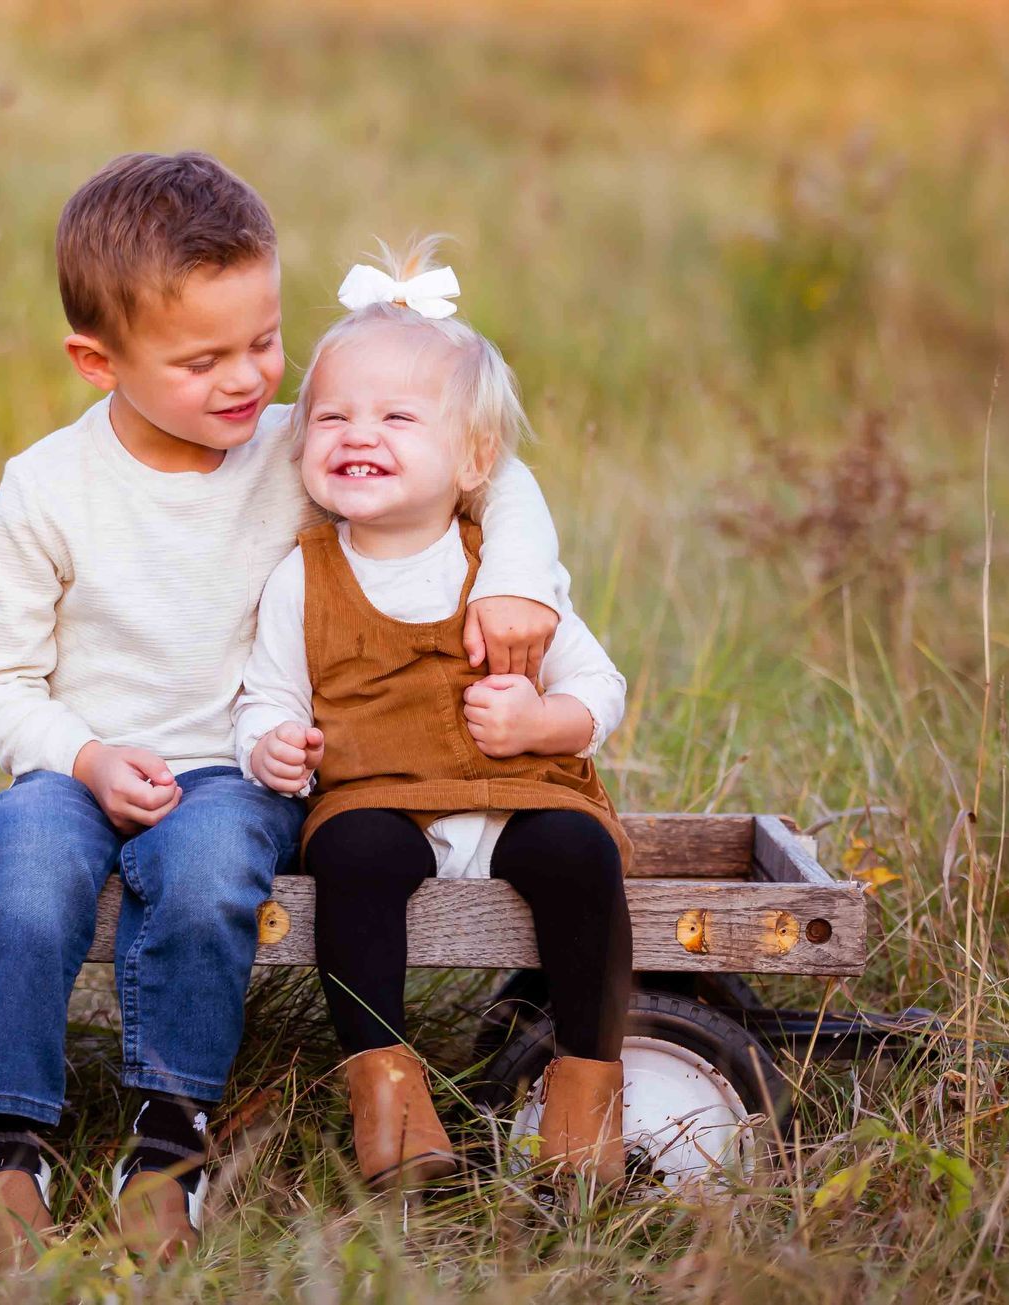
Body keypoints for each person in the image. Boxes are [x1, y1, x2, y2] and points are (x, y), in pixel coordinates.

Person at [0, 155, 570, 1268]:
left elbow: (488, 462)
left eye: (265, 341)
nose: (246, 379)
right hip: (74, 768)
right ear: (98, 363)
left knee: (204, 875)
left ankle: (166, 1148)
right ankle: (5, 1148)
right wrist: (84, 759)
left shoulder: (294, 443)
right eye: (202, 361)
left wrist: (518, 574)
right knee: (26, 868)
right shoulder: (45, 489)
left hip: (245, 768)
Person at [235, 237, 635, 1206]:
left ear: (472, 459)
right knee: (354, 858)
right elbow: (270, 691)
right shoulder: (305, 574)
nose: (355, 434)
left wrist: (542, 722)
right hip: (382, 798)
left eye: (395, 417)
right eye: (331, 416)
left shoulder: (506, 576)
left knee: (581, 857)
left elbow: (602, 691)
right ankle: (392, 1099)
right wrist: (273, 747)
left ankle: (585, 1100)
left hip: (519, 793)